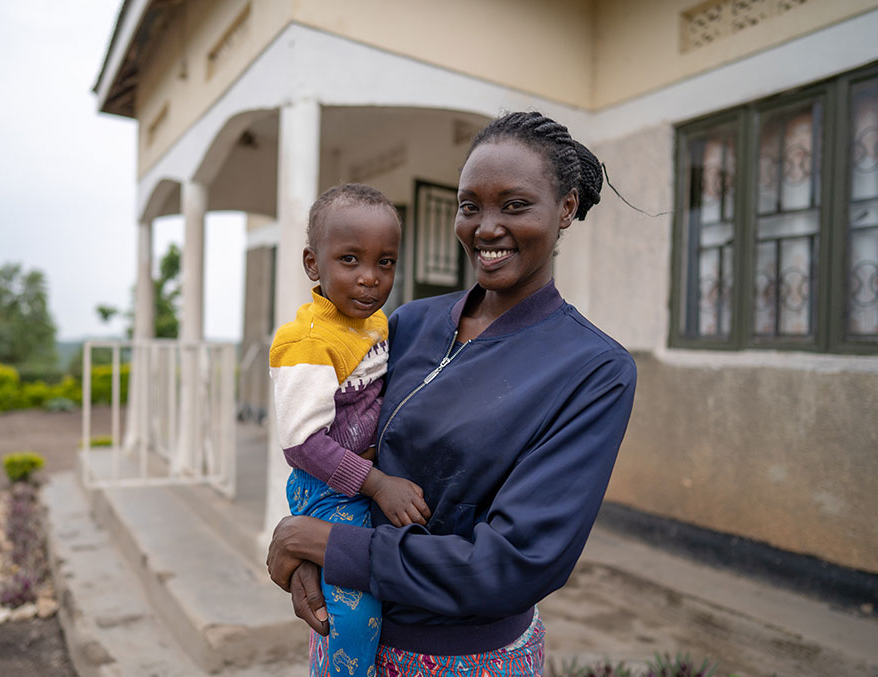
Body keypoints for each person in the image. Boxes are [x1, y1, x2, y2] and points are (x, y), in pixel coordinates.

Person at [267, 111, 638, 675]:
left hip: (461, 658)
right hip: (347, 631)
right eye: (470, 207)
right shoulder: (409, 323)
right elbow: (337, 438)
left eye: (514, 206)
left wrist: (325, 546)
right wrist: (307, 558)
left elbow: (512, 565)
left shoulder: (591, 369)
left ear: (565, 207)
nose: (486, 228)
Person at [269, 183, 432, 676]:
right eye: (350, 260)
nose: (369, 279)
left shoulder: (375, 324)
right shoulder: (308, 342)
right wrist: (378, 484)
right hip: (327, 490)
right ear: (313, 265)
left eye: (385, 262)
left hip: (356, 483)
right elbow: (301, 444)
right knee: (352, 615)